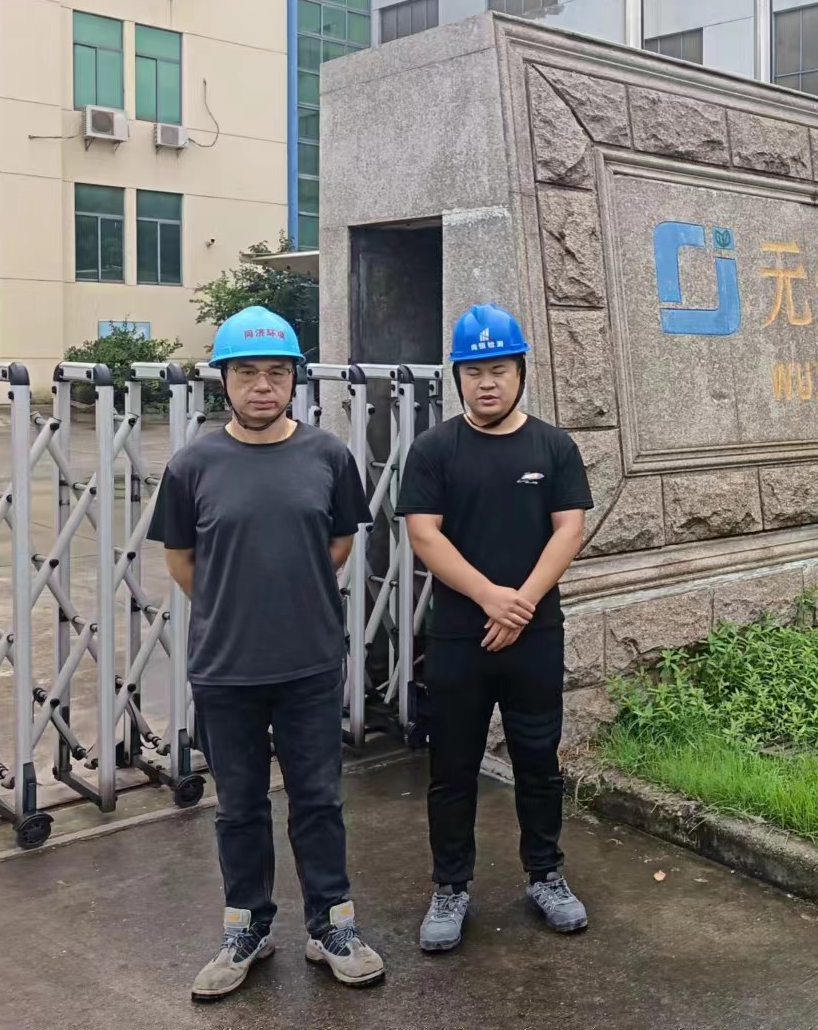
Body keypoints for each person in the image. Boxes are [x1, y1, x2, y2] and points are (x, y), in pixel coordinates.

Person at [150, 305, 386, 1001]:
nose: (262, 386)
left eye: (276, 373)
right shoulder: (192, 465)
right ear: (224, 380)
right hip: (226, 667)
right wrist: (237, 604)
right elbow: (181, 559)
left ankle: (332, 925)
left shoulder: (328, 457)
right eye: (247, 372)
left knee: (318, 800)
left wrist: (290, 593)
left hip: (310, 662)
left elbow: (337, 543)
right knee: (240, 807)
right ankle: (247, 927)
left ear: (294, 380)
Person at [398, 303, 593, 954]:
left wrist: (523, 603)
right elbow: (424, 534)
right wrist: (489, 596)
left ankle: (546, 874)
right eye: (474, 371)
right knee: (452, 767)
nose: (487, 383)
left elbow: (569, 529)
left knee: (538, 761)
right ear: (457, 376)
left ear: (520, 373)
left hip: (535, 634)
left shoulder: (554, 447)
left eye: (499, 369)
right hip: (459, 636)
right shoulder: (433, 449)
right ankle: (450, 886)